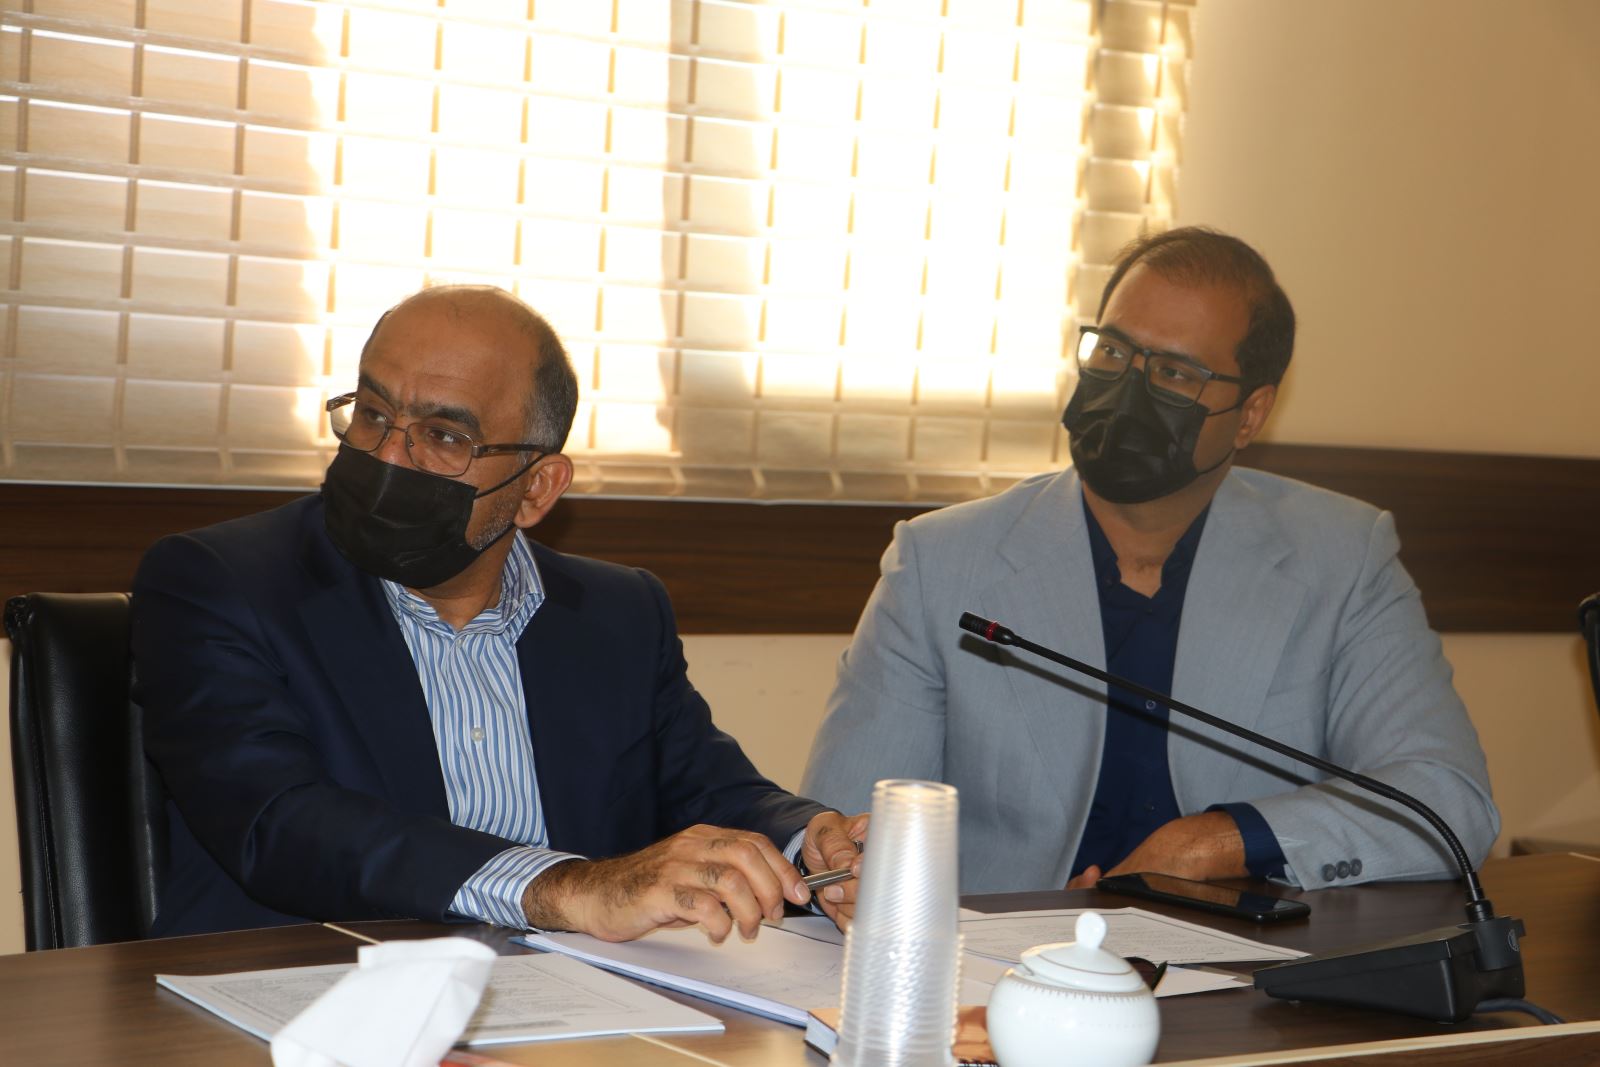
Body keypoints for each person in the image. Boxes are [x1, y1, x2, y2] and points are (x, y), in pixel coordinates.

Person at [133, 285, 866, 940]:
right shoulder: (220, 582)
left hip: (573, 1003)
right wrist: (568, 889)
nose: (389, 457)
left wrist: (810, 847)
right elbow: (280, 823)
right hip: (304, 989)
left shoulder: (618, 612)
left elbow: (707, 786)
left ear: (537, 488)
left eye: (443, 436)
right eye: (374, 413)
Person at [801, 227, 1498, 894]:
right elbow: (844, 831)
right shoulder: (941, 563)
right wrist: (861, 880)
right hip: (1001, 959)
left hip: (1246, 960)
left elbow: (1448, 802)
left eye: (1174, 372)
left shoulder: (1341, 557)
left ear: (1250, 414)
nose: (1127, 388)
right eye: (1112, 351)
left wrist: (1215, 842)